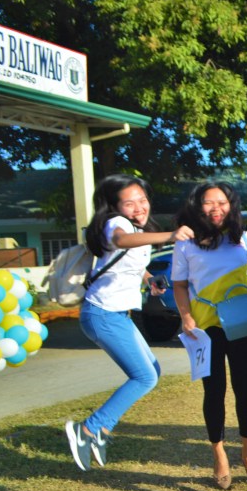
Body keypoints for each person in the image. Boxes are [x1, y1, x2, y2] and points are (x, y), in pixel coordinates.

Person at [65, 175, 194, 471]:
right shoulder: (116, 224)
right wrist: (171, 235)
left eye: (142, 200)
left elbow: (129, 260)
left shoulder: (137, 229)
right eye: (129, 203)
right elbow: (121, 241)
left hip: (117, 315)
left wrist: (149, 279)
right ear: (115, 207)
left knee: (152, 372)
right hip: (103, 314)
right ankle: (87, 430)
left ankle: (101, 431)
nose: (139, 207)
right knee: (144, 377)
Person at [172, 182, 247, 489]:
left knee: (245, 388)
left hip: (240, 322)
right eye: (209, 202)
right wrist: (186, 317)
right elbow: (179, 285)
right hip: (205, 326)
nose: (216, 208)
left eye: (223, 202)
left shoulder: (245, 239)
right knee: (214, 391)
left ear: (232, 206)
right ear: (197, 206)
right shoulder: (186, 243)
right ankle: (219, 455)